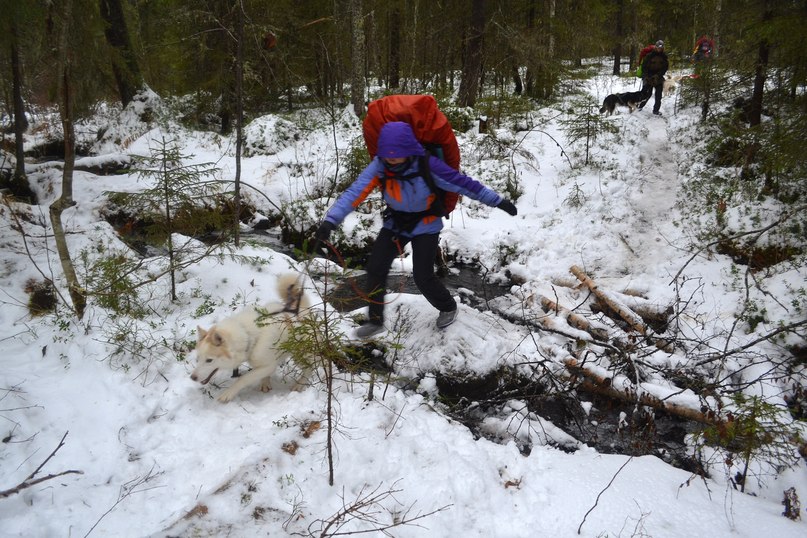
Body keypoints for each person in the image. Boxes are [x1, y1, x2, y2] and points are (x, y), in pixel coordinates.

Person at [314, 121, 518, 338]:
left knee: (422, 276)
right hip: (396, 223)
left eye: (397, 153)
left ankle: (448, 306)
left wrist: (498, 201)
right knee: (375, 268)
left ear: (408, 149)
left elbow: (464, 184)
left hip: (426, 224)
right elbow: (355, 192)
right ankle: (375, 321)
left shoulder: (427, 165)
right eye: (387, 154)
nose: (391, 158)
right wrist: (330, 221)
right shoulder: (380, 165)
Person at [639, 40, 669, 115]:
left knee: (658, 95)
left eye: (661, 48)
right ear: (655, 47)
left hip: (658, 77)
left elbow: (665, 68)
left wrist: (658, 75)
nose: (659, 49)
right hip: (648, 77)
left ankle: (656, 110)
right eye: (658, 47)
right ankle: (639, 107)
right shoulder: (649, 56)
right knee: (646, 94)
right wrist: (646, 76)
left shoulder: (664, 57)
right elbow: (644, 67)